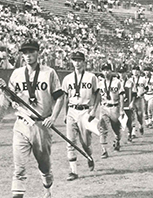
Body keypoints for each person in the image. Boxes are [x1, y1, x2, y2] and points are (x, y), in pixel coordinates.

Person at [0, 39, 64, 198]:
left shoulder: (49, 72)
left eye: (31, 52)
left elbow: (60, 97)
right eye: (25, 53)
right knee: (19, 168)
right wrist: (2, 89)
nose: (28, 56)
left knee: (44, 166)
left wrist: (53, 117)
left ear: (38, 53)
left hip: (41, 125)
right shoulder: (17, 73)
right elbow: (8, 99)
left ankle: (47, 189)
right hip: (21, 123)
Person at [62, 50, 100, 181]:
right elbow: (65, 98)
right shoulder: (67, 79)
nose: (77, 63)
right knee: (70, 142)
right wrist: (65, 114)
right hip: (72, 110)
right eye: (74, 60)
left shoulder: (91, 77)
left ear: (84, 62)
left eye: (79, 60)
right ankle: (73, 171)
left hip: (85, 111)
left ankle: (89, 156)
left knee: (85, 144)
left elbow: (97, 93)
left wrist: (94, 110)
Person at [98, 63, 124, 159]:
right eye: (104, 70)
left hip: (114, 106)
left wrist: (121, 109)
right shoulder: (100, 83)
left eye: (108, 70)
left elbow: (121, 95)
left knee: (115, 127)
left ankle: (117, 140)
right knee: (103, 128)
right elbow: (98, 96)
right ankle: (104, 150)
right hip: (104, 107)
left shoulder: (117, 82)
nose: (106, 72)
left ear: (111, 71)